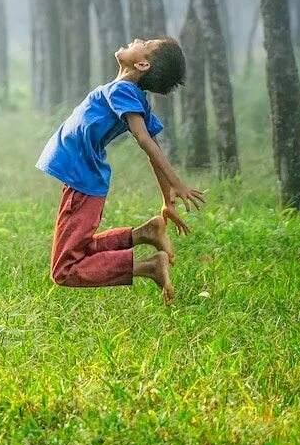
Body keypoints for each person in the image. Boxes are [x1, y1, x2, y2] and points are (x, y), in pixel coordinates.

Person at [36, 37, 204, 304]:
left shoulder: (124, 91)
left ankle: (148, 267)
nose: (137, 39)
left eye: (145, 43)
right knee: (78, 250)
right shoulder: (129, 93)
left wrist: (176, 183)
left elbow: (145, 140)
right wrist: (166, 199)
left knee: (65, 269)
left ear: (142, 63)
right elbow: (152, 144)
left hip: (82, 181)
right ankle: (143, 234)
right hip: (82, 179)